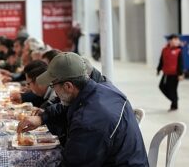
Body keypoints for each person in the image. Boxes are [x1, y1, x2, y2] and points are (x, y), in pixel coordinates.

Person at [17, 52, 149, 166]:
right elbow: (67, 107)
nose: (53, 91)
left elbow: (74, 163)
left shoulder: (90, 121)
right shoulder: (101, 88)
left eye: (53, 85)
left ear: (68, 86)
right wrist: (42, 118)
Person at [157, 34, 184, 111]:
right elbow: (161, 60)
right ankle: (174, 100)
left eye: (177, 40)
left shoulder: (178, 51)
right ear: (170, 41)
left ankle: (174, 105)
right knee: (161, 86)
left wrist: (180, 74)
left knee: (173, 89)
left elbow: (180, 63)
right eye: (174, 39)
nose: (176, 41)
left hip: (175, 74)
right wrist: (158, 69)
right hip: (166, 73)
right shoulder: (165, 50)